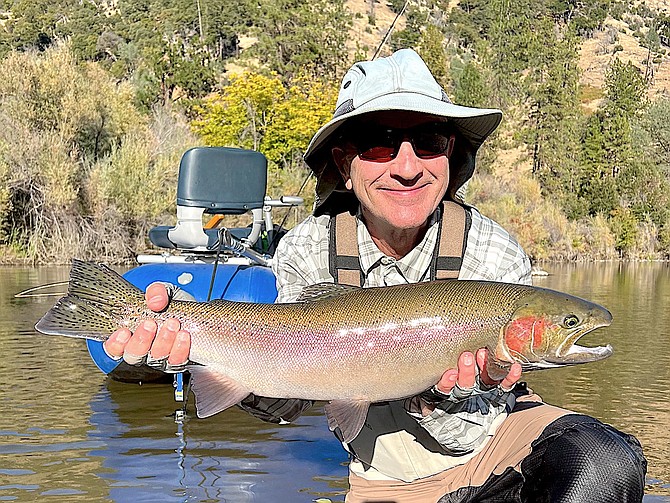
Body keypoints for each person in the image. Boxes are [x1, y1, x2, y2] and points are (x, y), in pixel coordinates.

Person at [104, 49, 646, 502]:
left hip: (494, 452)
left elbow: (475, 427)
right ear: (344, 163)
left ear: (450, 153)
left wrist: (452, 395)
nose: (408, 166)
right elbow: (286, 401)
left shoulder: (493, 252)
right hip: (381, 474)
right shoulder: (308, 250)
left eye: (429, 142)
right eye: (381, 143)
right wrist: (190, 347)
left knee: (603, 464)